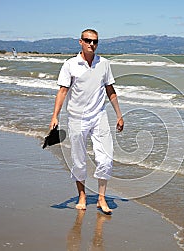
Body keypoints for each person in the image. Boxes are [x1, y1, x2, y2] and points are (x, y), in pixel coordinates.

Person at [49, 29, 124, 214]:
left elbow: (110, 90)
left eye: (95, 41)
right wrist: (55, 115)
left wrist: (119, 115)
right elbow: (63, 91)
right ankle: (82, 196)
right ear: (80, 42)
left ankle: (101, 198)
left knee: (106, 158)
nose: (92, 44)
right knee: (79, 160)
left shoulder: (104, 64)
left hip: (99, 116)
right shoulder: (70, 65)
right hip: (76, 118)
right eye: (88, 40)